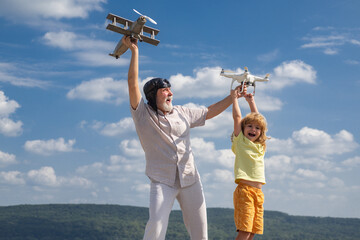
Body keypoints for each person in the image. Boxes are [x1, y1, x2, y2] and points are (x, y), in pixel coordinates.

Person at [122, 36, 239, 240]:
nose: (170, 93)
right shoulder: (143, 115)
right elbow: (133, 84)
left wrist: (232, 97)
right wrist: (134, 51)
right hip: (162, 180)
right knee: (156, 226)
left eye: (170, 89)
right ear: (153, 95)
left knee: (201, 233)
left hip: (190, 178)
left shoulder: (182, 112)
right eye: (165, 90)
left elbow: (208, 112)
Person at [230, 87, 269, 240]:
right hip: (245, 191)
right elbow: (237, 117)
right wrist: (234, 98)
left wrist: (251, 101)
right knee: (245, 231)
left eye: (257, 128)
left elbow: (260, 119)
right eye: (250, 126)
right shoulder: (240, 141)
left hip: (258, 194)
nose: (253, 129)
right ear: (243, 129)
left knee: (252, 232)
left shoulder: (261, 146)